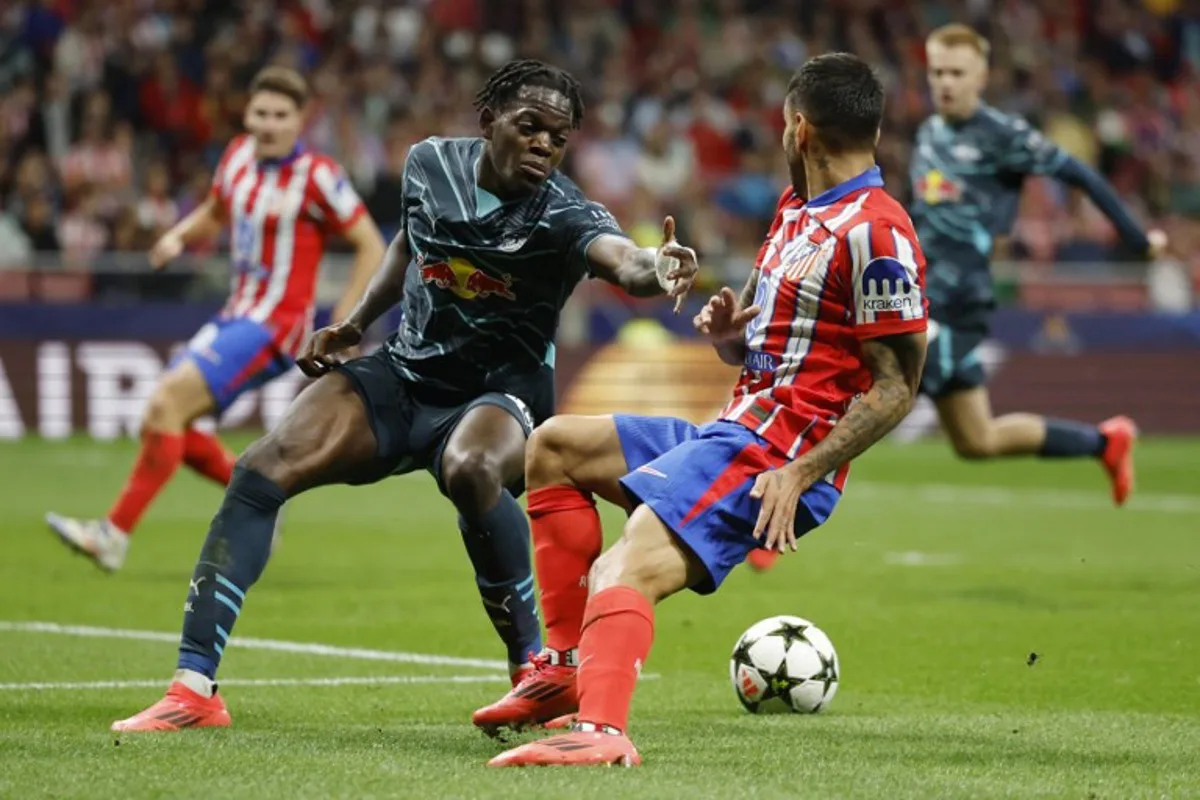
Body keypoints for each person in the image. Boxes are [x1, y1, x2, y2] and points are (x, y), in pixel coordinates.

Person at [109, 59, 699, 733]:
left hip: (501, 394)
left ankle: (535, 671)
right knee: (259, 469)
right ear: (489, 122)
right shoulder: (428, 165)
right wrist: (356, 323)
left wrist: (657, 266)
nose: (542, 144)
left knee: (473, 471)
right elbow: (407, 245)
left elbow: (621, 258)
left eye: (556, 138)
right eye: (529, 126)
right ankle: (193, 689)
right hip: (405, 373)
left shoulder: (563, 213)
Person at [480, 53, 928, 767]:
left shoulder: (878, 234)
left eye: (784, 121)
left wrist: (800, 473)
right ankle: (563, 670)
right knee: (555, 448)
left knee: (624, 566)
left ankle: (600, 733)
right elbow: (776, 348)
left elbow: (898, 386)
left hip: (774, 454)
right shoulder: (797, 210)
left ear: (800, 127)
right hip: (737, 427)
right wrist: (731, 340)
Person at [746, 24, 1167, 575]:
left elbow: (1079, 172)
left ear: (981, 77)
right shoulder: (930, 136)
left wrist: (1136, 239)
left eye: (957, 73)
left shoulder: (1004, 134)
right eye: (937, 72)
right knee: (976, 439)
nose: (945, 83)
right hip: (918, 291)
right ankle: (1104, 443)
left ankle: (778, 502)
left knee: (875, 383)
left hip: (958, 301)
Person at [46, 66, 385, 572]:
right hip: (235, 315)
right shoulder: (238, 157)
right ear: (247, 113)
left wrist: (344, 322)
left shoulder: (319, 176)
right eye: (261, 113)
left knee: (165, 404)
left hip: (276, 324)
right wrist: (179, 237)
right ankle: (261, 499)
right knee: (160, 420)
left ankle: (112, 534)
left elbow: (370, 244)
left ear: (299, 121)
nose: (268, 124)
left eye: (280, 115)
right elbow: (214, 209)